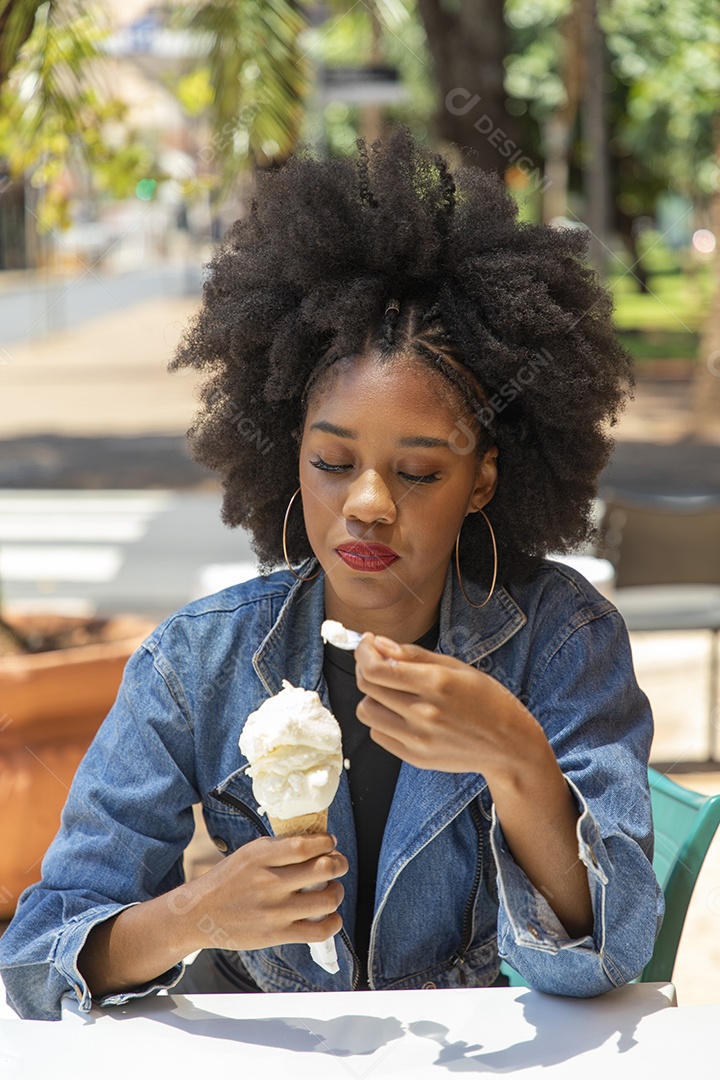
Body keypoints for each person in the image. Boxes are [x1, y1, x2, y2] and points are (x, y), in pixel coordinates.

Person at [0, 130, 663, 1020]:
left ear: (484, 480)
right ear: (288, 452)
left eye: (420, 472)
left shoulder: (563, 643)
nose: (369, 504)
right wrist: (194, 916)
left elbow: (611, 957)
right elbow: (37, 960)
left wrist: (517, 757)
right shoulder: (197, 663)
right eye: (332, 462)